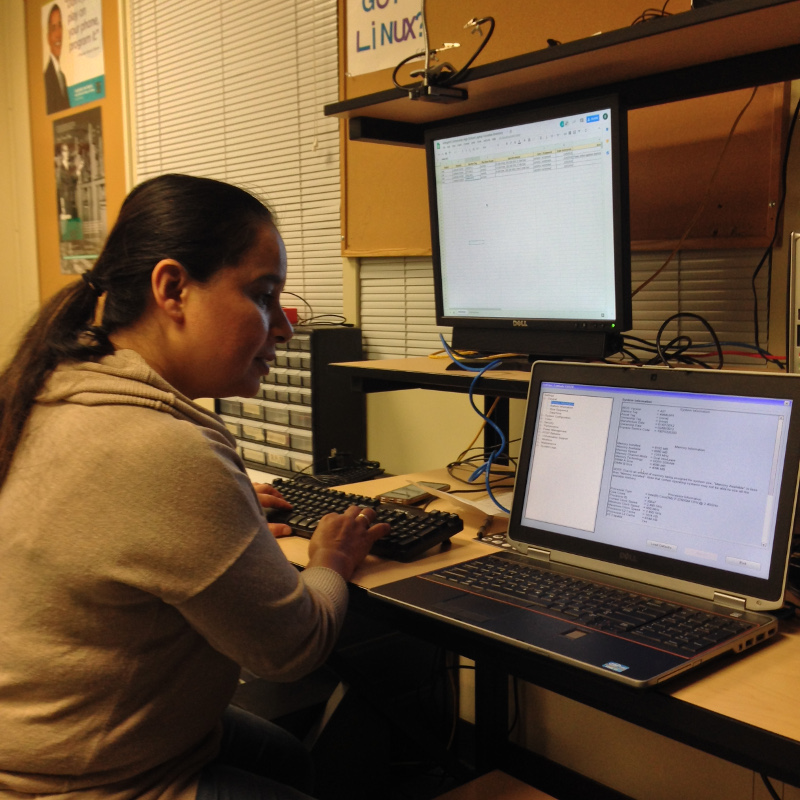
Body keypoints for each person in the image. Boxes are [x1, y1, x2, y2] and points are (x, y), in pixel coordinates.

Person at [0, 174, 390, 799]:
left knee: (286, 758)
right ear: (173, 288)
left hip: (41, 740)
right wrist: (331, 560)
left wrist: (223, 520)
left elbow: (121, 531)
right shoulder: (163, 448)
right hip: (81, 784)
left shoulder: (52, 387)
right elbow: (291, 649)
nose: (283, 329)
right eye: (263, 296)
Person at [44, 3, 70, 114]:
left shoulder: (62, 77)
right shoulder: (46, 78)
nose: (58, 34)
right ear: (48, 37)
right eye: (53, 28)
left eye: (60, 26)